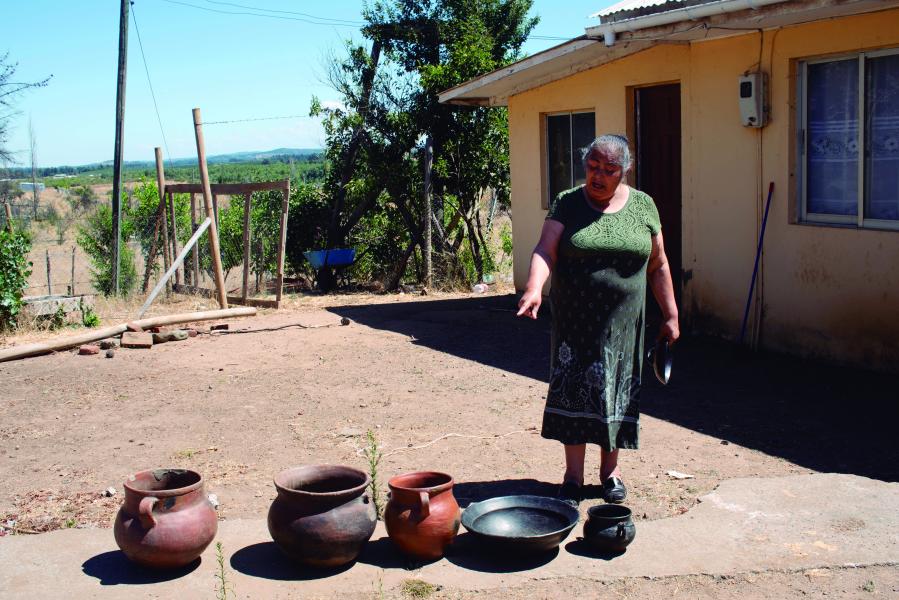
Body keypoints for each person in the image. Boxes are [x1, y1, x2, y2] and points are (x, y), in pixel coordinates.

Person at [516, 134, 679, 505]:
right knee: (574, 391)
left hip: (624, 326)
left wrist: (670, 314)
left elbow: (658, 264)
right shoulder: (568, 203)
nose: (598, 176)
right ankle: (573, 478)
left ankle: (610, 473)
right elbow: (545, 250)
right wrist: (534, 287)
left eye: (609, 170)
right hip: (576, 323)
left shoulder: (644, 206)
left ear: (624, 171)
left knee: (615, 392)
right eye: (593, 167)